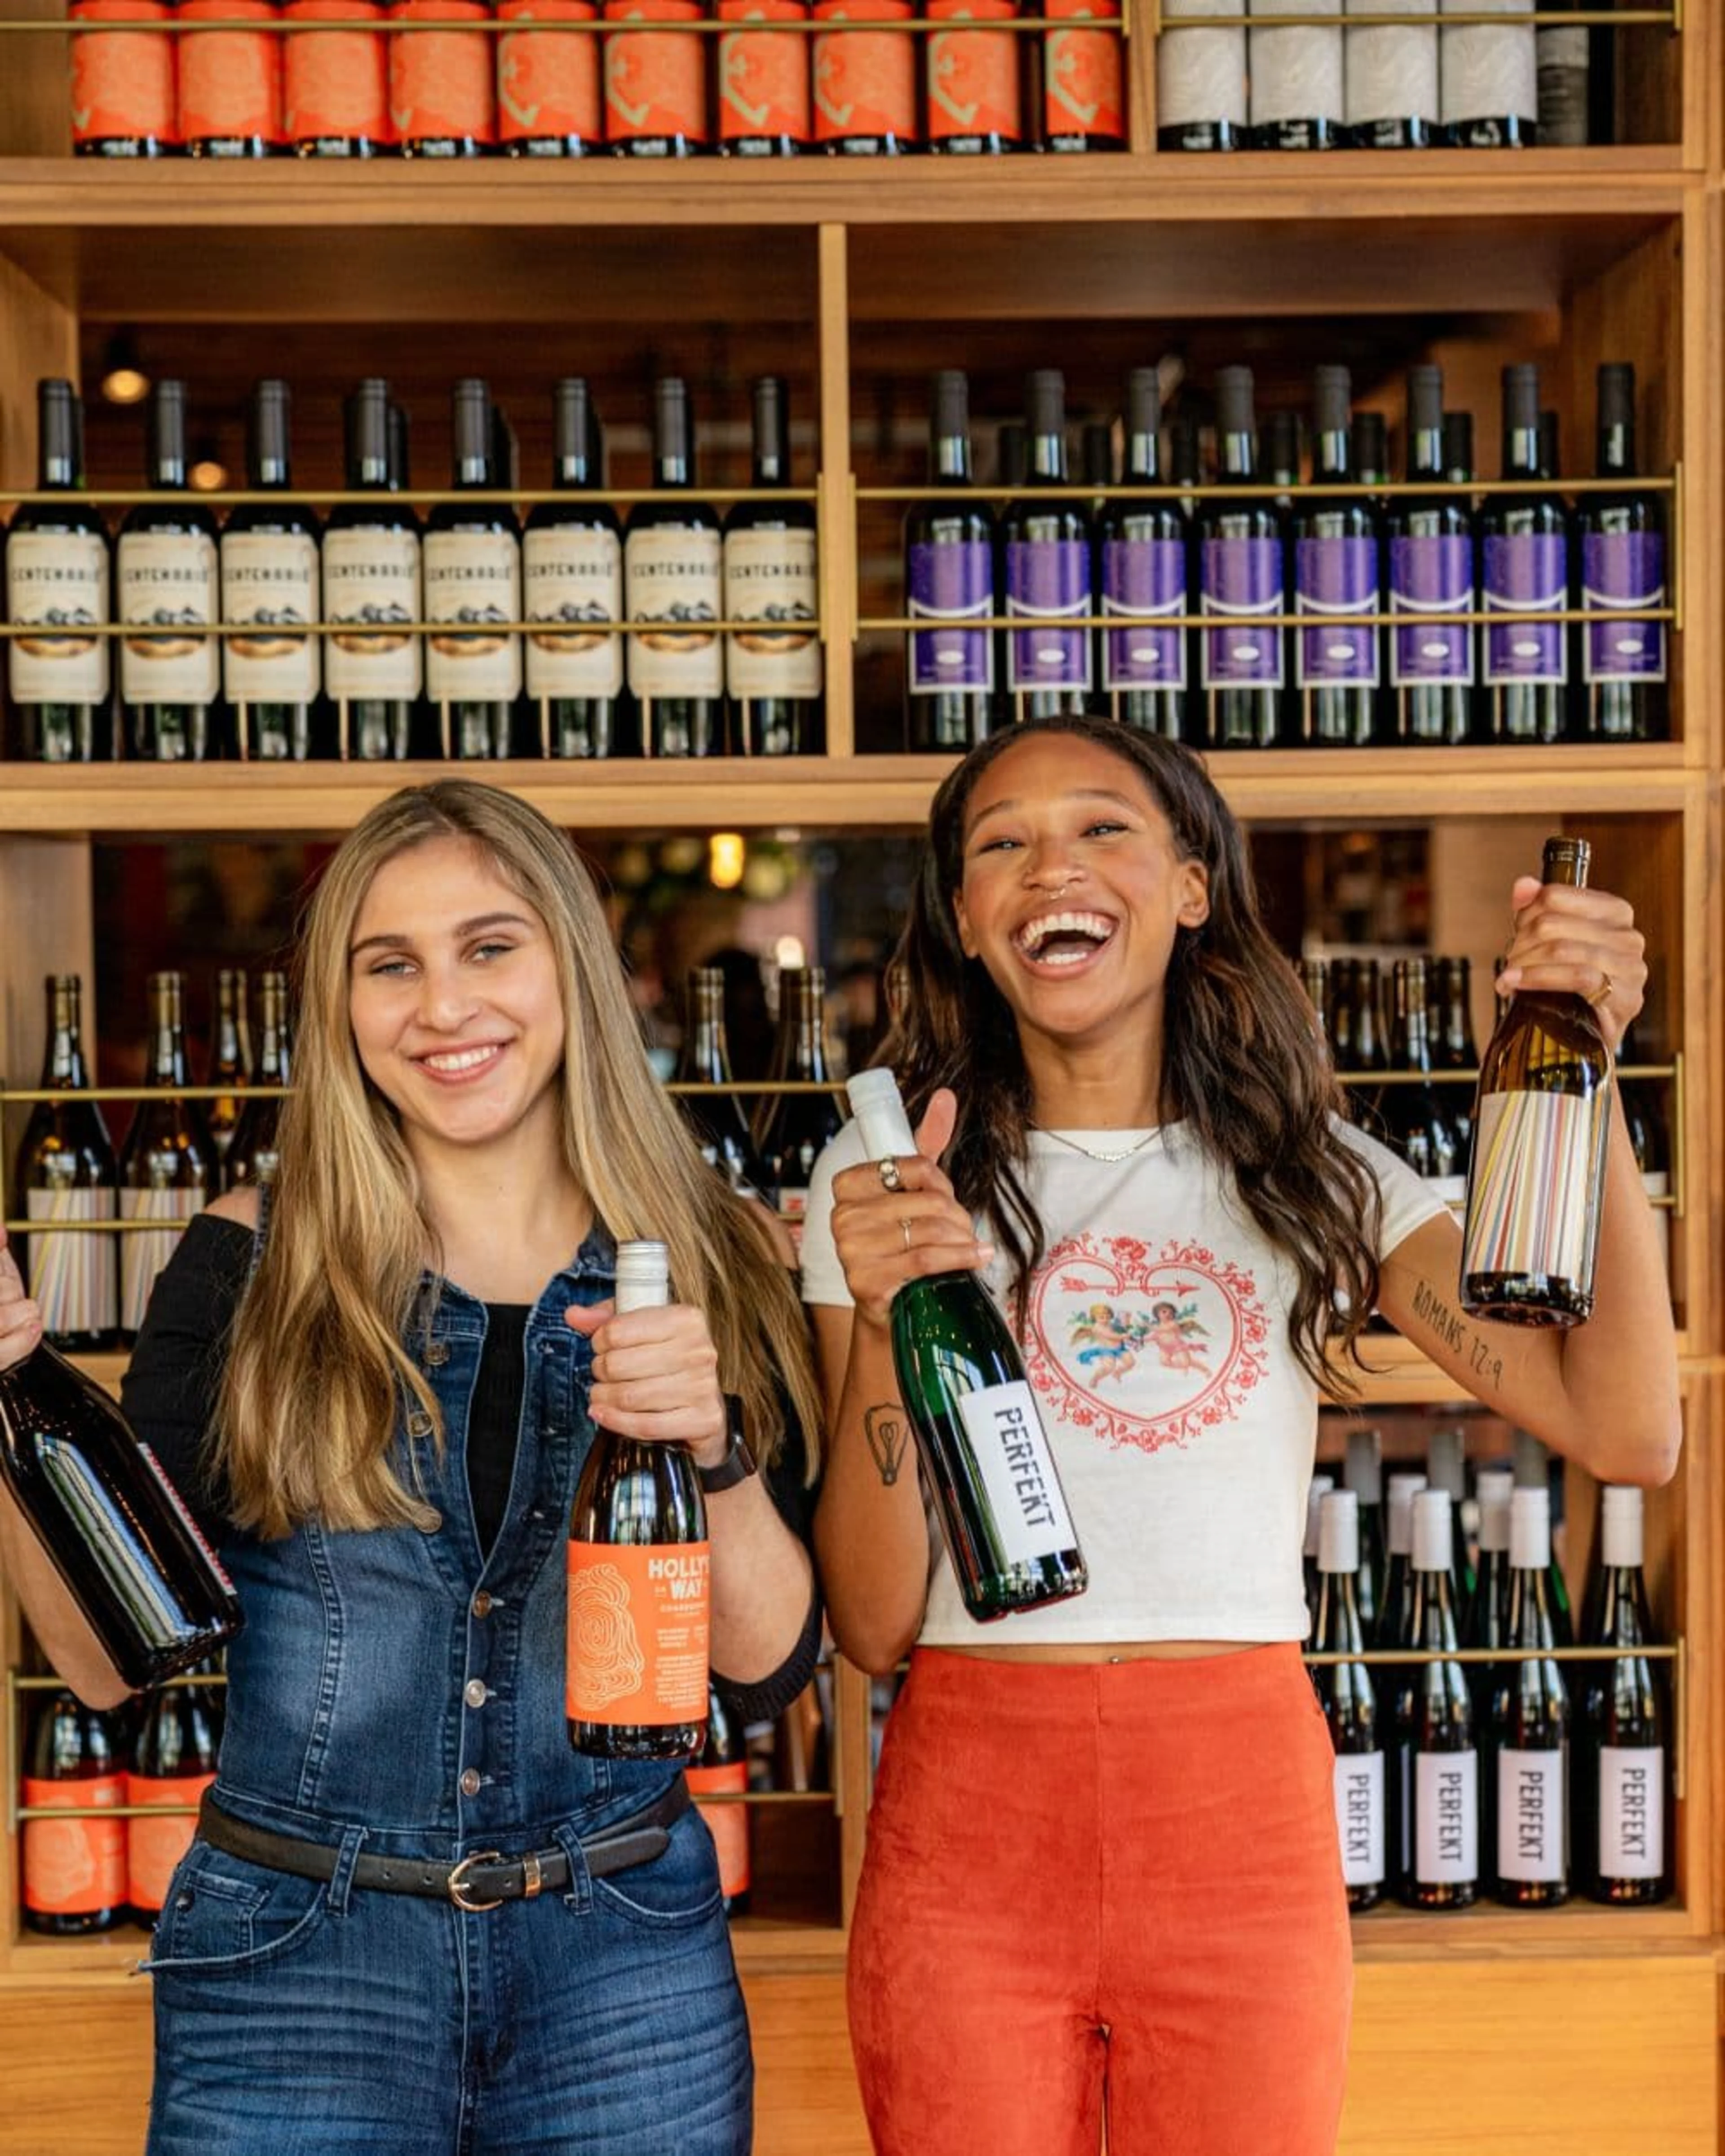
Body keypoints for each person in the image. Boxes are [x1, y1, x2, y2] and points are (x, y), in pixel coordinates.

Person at [800, 714, 1679, 2156]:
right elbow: (876, 1624)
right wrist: (901, 1312)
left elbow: (1626, 1424)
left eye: (1102, 829)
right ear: (963, 916)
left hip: (1239, 1810)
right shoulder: (890, 1168)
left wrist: (1596, 1073)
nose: (1049, 867)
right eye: (1000, 845)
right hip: (971, 1817)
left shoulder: (1314, 1173)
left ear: (1194, 885)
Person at [0, 779, 824, 2156]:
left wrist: (710, 1447)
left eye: (489, 948)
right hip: (293, 1965)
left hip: (622, 1964)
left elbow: (771, 1662)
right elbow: (98, 1662)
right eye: (392, 965)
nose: (444, 1007)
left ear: (576, 966)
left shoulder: (719, 1253)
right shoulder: (251, 1258)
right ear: (341, 1009)